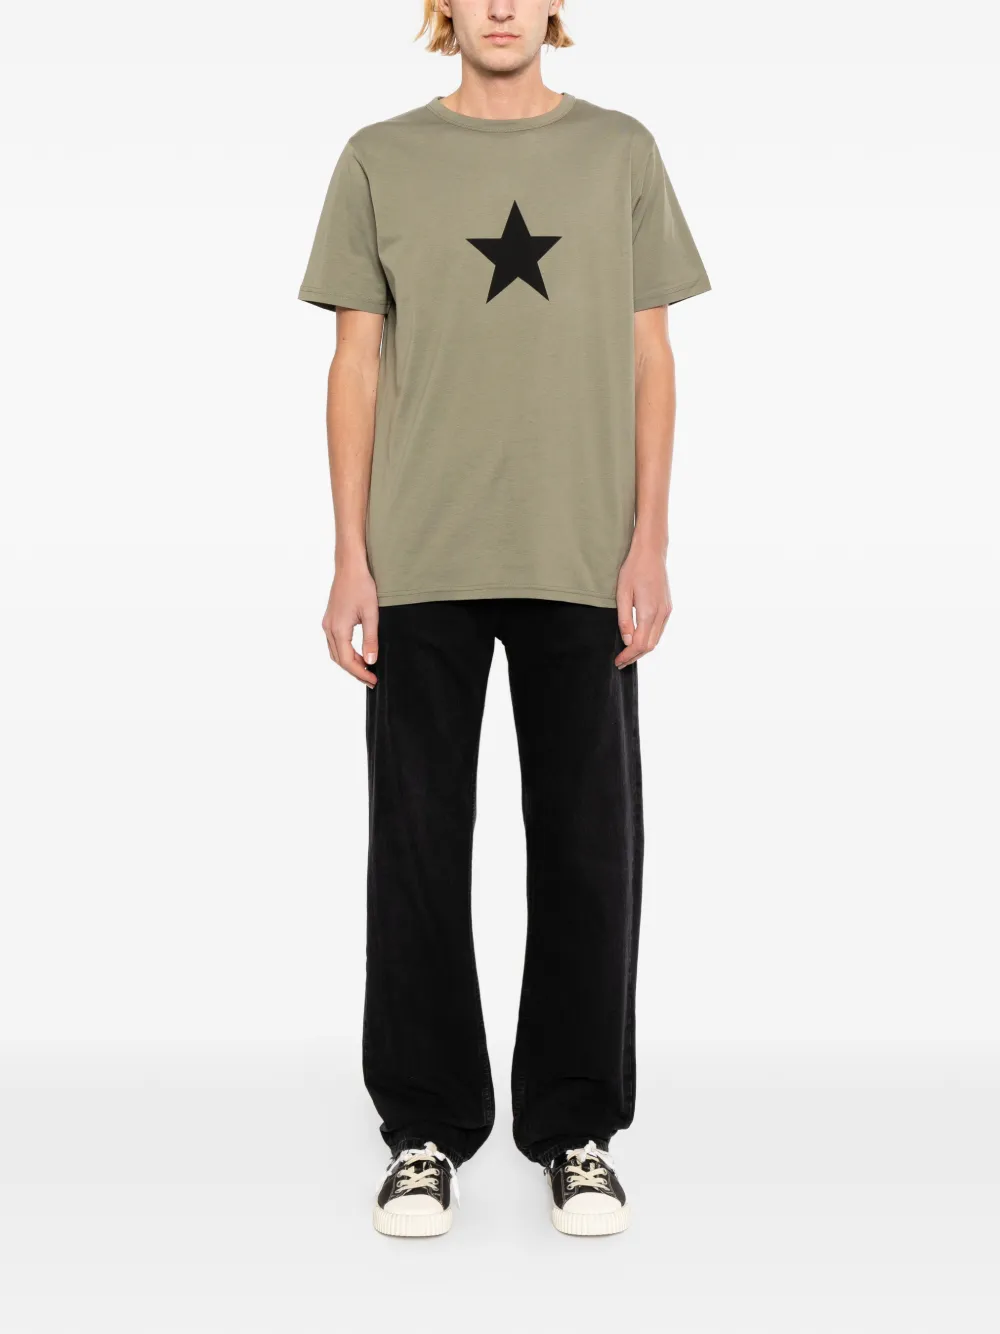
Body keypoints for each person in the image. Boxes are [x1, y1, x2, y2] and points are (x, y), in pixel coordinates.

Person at [297, 0, 710, 1238]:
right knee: (416, 847)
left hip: (580, 551)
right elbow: (355, 363)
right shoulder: (379, 157)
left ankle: (575, 1128)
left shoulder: (619, 150)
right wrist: (349, 555)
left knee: (587, 847)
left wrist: (649, 539)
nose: (499, 5)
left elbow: (651, 356)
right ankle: (424, 1130)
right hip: (419, 554)